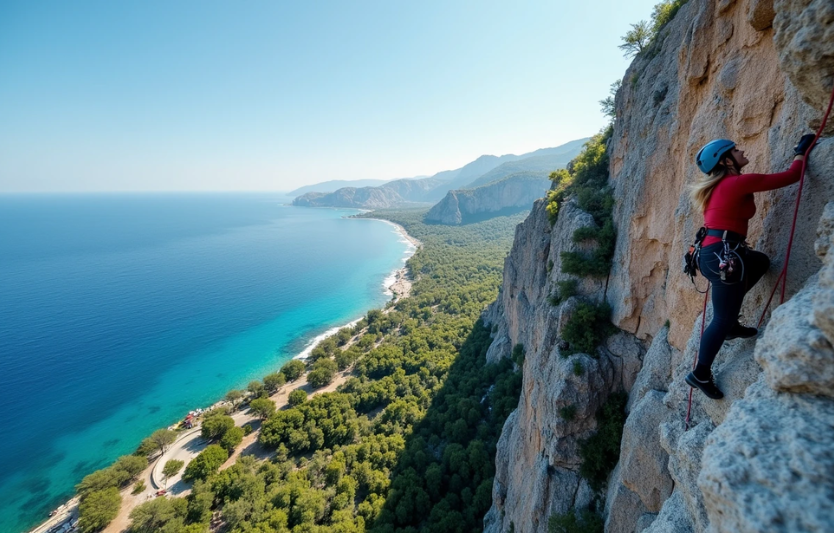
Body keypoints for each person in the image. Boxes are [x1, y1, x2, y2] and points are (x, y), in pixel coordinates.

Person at [685, 134, 816, 399]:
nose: (742, 150)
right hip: (722, 255)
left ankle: (731, 323)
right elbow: (794, 175)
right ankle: (700, 373)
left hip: (713, 254)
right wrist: (801, 150)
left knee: (760, 262)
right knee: (720, 318)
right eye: (735, 150)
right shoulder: (738, 182)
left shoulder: (718, 187)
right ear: (726, 160)